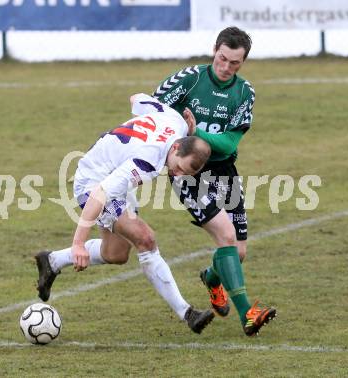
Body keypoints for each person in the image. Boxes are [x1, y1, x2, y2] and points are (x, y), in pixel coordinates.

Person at [35, 93, 215, 334]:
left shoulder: (177, 122)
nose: (178, 175)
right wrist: (78, 243)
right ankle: (187, 313)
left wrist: (185, 131)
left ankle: (52, 261)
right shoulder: (148, 162)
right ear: (175, 147)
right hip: (93, 182)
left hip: (115, 172)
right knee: (145, 238)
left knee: (116, 253)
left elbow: (136, 99)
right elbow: (99, 195)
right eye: (179, 168)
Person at [153, 26, 276, 336]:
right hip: (189, 171)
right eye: (222, 59)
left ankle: (212, 278)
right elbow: (152, 112)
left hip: (223, 171)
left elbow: (229, 145)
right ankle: (248, 314)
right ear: (214, 50)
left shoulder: (244, 92)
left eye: (234, 63)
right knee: (226, 235)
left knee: (239, 251)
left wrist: (196, 131)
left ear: (243, 62)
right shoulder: (188, 79)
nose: (225, 67)